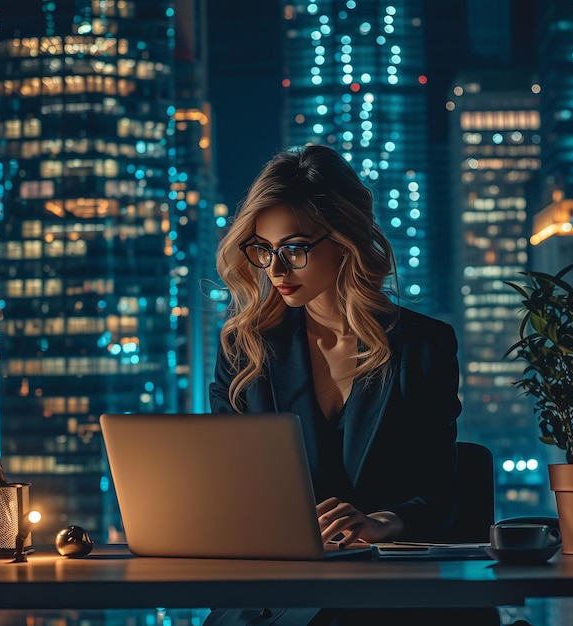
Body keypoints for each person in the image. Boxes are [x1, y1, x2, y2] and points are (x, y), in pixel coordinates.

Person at [206, 145, 499, 626]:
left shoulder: (425, 345)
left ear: (343, 240)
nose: (276, 271)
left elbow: (441, 484)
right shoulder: (245, 350)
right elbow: (226, 487)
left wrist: (388, 521)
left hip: (392, 591)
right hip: (277, 591)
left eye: (295, 249)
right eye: (263, 250)